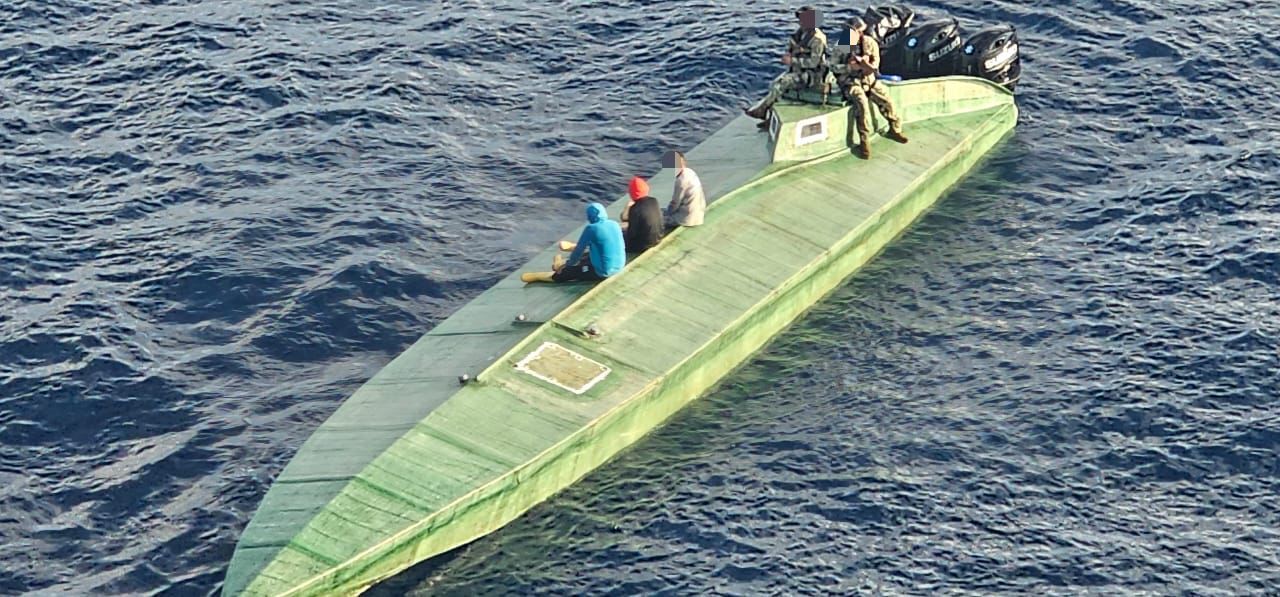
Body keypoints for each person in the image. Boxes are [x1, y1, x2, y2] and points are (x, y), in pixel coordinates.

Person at [831, 16, 908, 159]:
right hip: (851, 82)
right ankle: (864, 141)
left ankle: (895, 129)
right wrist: (849, 67)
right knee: (862, 103)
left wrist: (865, 64)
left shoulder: (870, 43)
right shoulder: (843, 45)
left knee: (886, 100)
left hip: (868, 80)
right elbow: (833, 66)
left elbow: (875, 64)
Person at [744, 7, 830, 127]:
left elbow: (814, 63)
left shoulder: (817, 39)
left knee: (783, 83)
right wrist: (790, 54)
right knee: (775, 83)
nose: (800, 21)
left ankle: (761, 110)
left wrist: (792, 61)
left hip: (812, 75)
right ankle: (770, 117)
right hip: (798, 71)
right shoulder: (800, 34)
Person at [522, 202, 625, 284]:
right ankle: (559, 263)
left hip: (603, 272)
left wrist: (567, 265)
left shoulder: (591, 229)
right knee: (590, 254)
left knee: (565, 273)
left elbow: (578, 251)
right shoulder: (614, 224)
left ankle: (539, 276)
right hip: (620, 265)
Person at [622, 176, 664, 254]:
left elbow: (631, 234)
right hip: (658, 238)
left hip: (642, 246)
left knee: (620, 235)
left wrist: (627, 208)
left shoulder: (634, 209)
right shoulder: (654, 201)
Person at [664, 150, 705, 228]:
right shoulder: (691, 172)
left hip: (688, 219)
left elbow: (675, 203)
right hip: (699, 215)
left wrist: (666, 213)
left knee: (661, 219)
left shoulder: (681, 181)